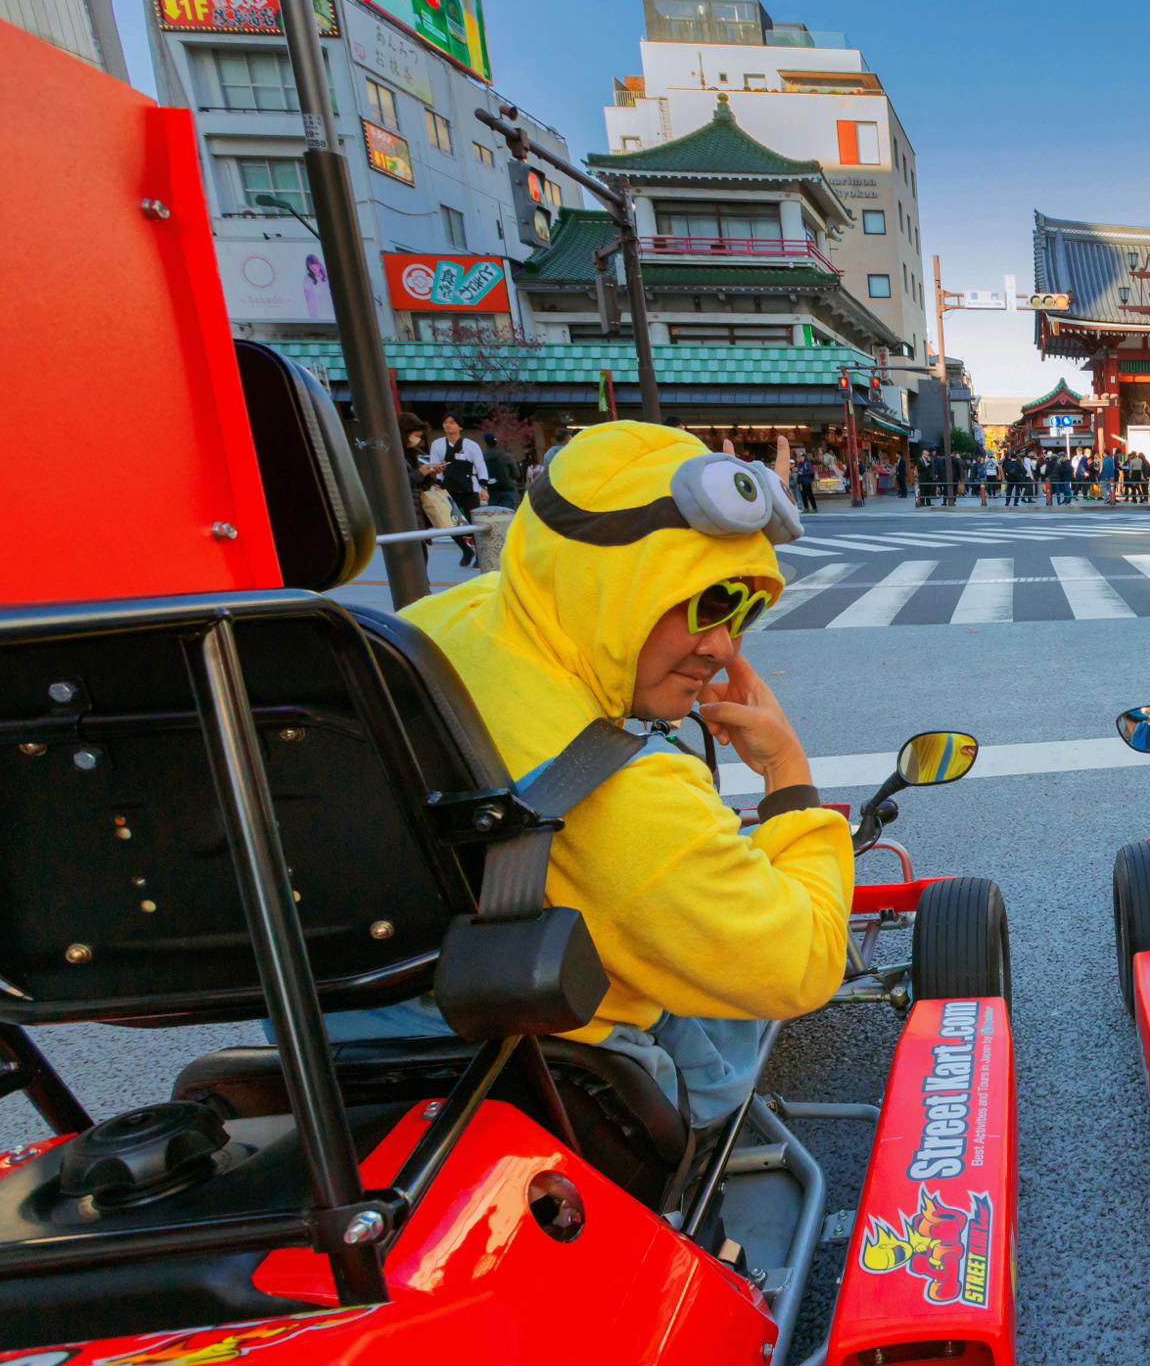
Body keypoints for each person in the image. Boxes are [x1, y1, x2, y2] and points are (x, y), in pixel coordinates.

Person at [334, 420, 854, 1128]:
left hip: (348, 1026)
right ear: (612, 582)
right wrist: (788, 774)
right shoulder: (631, 792)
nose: (722, 645)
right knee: (729, 1018)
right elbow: (806, 962)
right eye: (704, 601)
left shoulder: (438, 623)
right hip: (566, 1078)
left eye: (745, 606)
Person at [423, 414, 488, 565]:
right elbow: (434, 466)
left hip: (469, 488)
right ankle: (465, 549)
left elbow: (480, 466)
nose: (448, 425)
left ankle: (479, 555)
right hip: (448, 487)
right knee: (449, 523)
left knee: (474, 523)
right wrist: (436, 473)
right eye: (445, 422)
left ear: (460, 426)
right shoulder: (437, 444)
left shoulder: (471, 445)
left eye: (452, 422)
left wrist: (484, 487)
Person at [480, 430, 522, 511]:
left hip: (490, 490)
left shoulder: (482, 457)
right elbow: (516, 474)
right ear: (496, 442)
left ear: (486, 442)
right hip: (506, 489)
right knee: (508, 514)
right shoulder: (506, 456)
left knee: (493, 516)